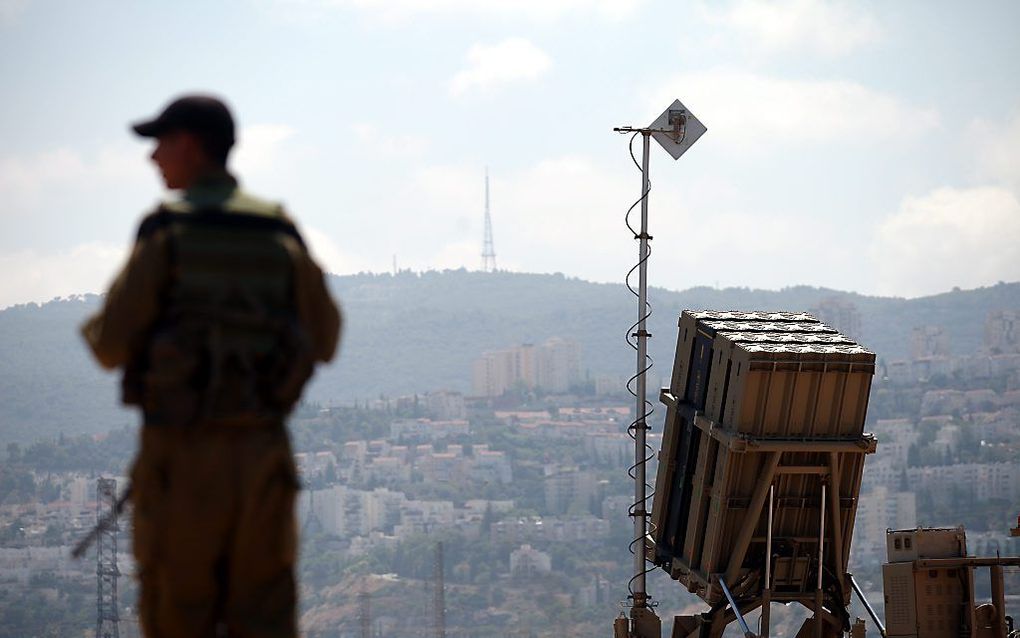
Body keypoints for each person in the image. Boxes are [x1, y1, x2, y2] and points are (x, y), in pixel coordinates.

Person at [81, 94, 341, 638]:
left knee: (179, 617)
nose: (153, 158)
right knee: (265, 620)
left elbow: (108, 345)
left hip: (182, 462)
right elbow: (327, 336)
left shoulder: (166, 232)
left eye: (160, 144)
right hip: (262, 461)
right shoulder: (277, 232)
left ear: (190, 146)